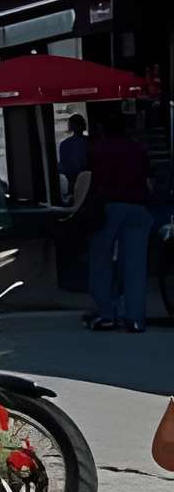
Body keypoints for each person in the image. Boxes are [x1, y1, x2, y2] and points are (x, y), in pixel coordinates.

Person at [77, 103, 159, 334]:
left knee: (100, 261)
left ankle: (106, 315)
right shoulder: (138, 148)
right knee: (135, 266)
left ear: (102, 128)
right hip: (138, 208)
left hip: (108, 207)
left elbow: (86, 178)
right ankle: (134, 318)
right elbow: (150, 180)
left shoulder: (96, 148)